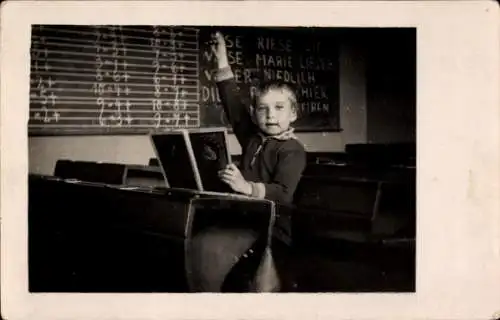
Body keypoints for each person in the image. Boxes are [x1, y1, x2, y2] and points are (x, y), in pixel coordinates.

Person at [189, 32, 306, 292]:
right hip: (244, 224)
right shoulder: (253, 139)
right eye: (262, 109)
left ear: (293, 114)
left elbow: (284, 193)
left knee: (241, 278)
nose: (270, 115)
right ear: (254, 114)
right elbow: (232, 104)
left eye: (279, 108)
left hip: (273, 232)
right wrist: (221, 59)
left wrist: (246, 187)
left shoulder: (293, 150)